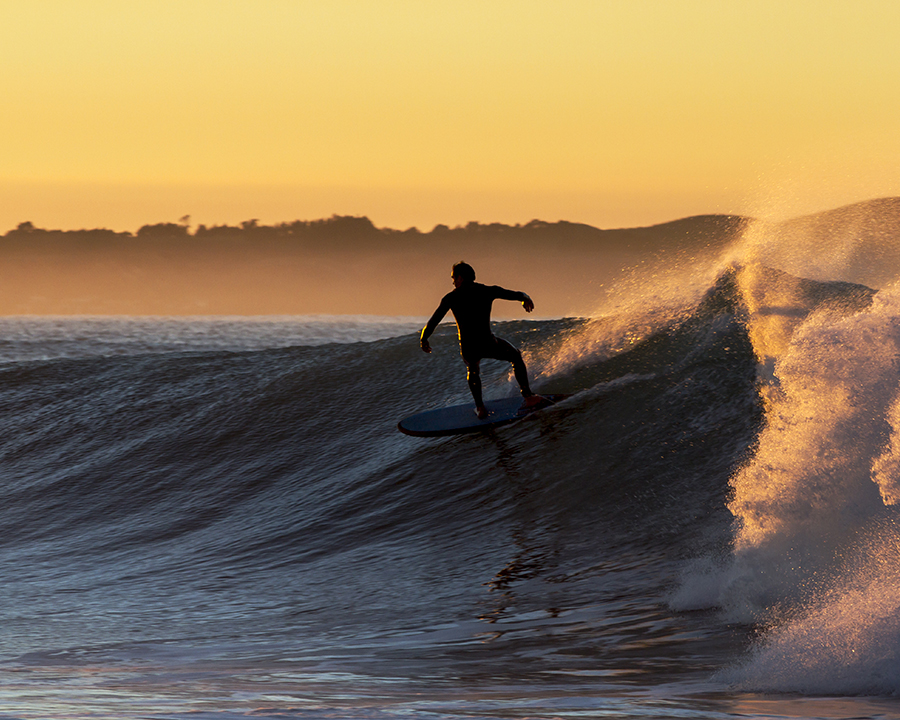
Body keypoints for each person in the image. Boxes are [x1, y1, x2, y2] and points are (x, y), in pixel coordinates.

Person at [420, 261, 543, 419]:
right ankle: (528, 396)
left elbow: (434, 320)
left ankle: (480, 408)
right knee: (515, 356)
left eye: (453, 277)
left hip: (468, 346)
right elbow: (512, 294)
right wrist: (525, 298)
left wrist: (424, 338)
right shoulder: (487, 291)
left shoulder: (451, 297)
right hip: (487, 342)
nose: (453, 281)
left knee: (472, 369)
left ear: (461, 278)